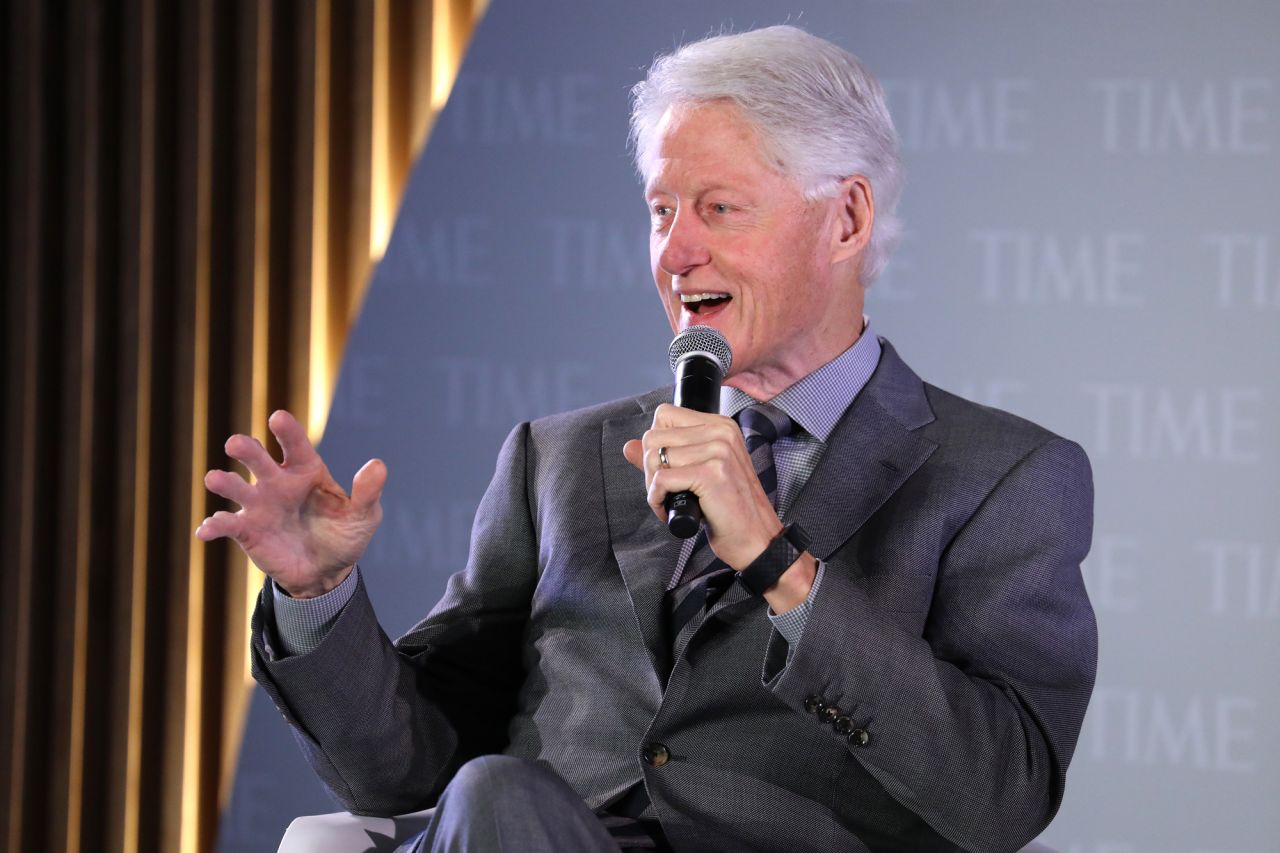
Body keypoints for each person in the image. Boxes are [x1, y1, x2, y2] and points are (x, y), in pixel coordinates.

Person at [197, 25, 1096, 853]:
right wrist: (317, 592)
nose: (675, 252)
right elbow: (404, 771)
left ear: (847, 220)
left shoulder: (1000, 478)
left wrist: (781, 566)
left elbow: (1001, 792)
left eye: (718, 208)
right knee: (494, 795)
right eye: (661, 211)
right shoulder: (557, 459)